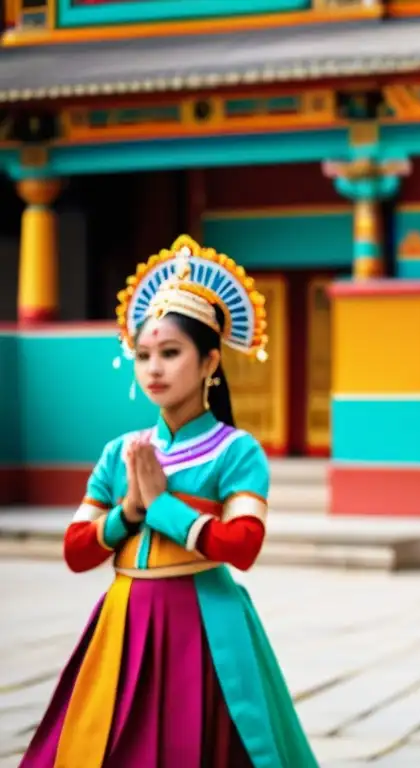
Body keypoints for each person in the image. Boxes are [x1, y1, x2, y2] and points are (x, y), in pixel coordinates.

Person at [20, 235, 317, 768]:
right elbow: (75, 551)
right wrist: (129, 512)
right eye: (143, 355)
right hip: (124, 617)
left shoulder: (237, 451)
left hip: (206, 620)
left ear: (209, 363)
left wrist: (162, 508)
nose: (153, 368)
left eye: (170, 353)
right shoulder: (121, 453)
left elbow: (244, 546)